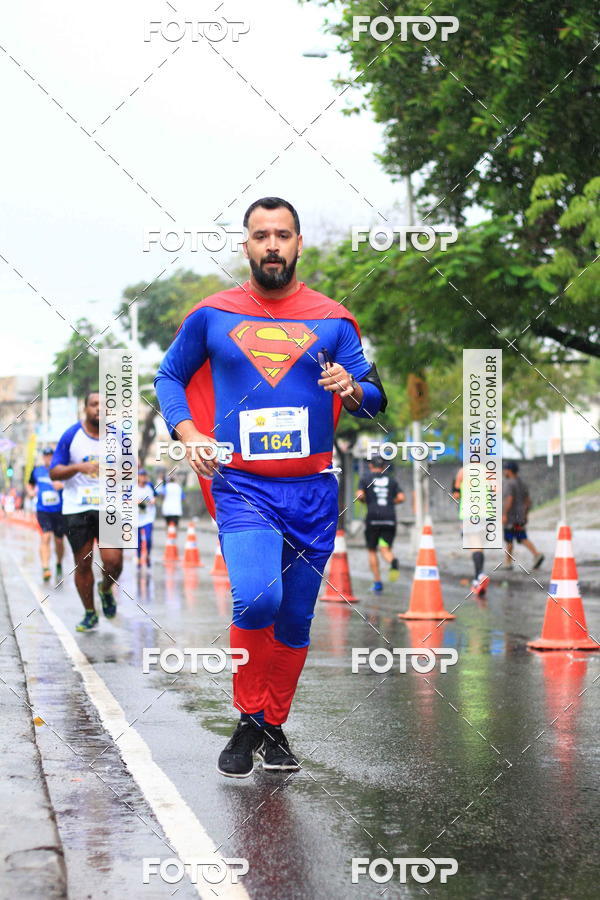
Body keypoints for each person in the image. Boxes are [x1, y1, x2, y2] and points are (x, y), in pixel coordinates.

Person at [155, 196, 387, 778]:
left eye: (283, 235)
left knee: (295, 622)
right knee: (258, 597)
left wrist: (353, 389)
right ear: (247, 246)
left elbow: (373, 396)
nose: (273, 245)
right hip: (243, 486)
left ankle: (269, 724)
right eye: (262, 235)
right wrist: (187, 432)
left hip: (312, 491)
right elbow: (169, 376)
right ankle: (247, 712)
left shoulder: (332, 319)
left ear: (299, 244)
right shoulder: (213, 314)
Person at [49, 391, 123, 631]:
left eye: (104, 405)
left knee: (114, 561)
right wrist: (79, 467)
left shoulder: (119, 438)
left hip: (108, 506)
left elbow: (131, 470)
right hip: (77, 507)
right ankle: (90, 613)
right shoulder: (72, 435)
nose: (99, 409)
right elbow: (54, 472)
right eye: (94, 404)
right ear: (86, 408)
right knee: (83, 563)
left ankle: (105, 590)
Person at [356, 456, 404, 591]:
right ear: (384, 467)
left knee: (372, 550)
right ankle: (392, 561)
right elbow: (401, 497)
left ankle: (377, 583)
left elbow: (359, 495)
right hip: (389, 518)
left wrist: (366, 501)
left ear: (371, 466)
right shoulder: (391, 480)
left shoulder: (365, 479)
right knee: (385, 548)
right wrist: (390, 503)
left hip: (373, 519)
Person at [27, 447, 65, 581]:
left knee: (59, 541)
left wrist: (62, 485)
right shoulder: (37, 470)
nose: (48, 458)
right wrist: (31, 492)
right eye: (46, 455)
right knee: (46, 536)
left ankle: (59, 563)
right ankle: (45, 568)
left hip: (59, 510)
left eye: (50, 455)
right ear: (43, 457)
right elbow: (30, 484)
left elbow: (71, 484)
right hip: (43, 510)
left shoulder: (60, 470)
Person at [452, 466, 489, 595]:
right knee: (478, 545)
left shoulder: (462, 471)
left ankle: (479, 575)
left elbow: (456, 494)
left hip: (469, 513)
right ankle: (476, 579)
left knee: (474, 545)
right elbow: (496, 490)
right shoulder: (488, 470)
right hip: (486, 513)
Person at [502, 461, 544, 569]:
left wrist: (504, 514)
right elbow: (528, 501)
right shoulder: (522, 483)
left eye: (505, 469)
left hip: (511, 517)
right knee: (522, 537)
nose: (503, 472)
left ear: (509, 471)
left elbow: (509, 499)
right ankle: (536, 554)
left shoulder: (509, 483)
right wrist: (525, 514)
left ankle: (508, 562)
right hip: (520, 517)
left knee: (509, 539)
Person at [137, 469, 156, 566]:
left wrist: (151, 501)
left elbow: (154, 498)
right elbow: (126, 500)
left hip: (148, 517)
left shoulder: (150, 486)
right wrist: (137, 502)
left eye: (144, 475)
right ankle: (139, 558)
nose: (143, 477)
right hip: (137, 518)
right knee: (138, 540)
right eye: (141, 475)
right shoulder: (132, 487)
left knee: (148, 539)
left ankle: (148, 555)